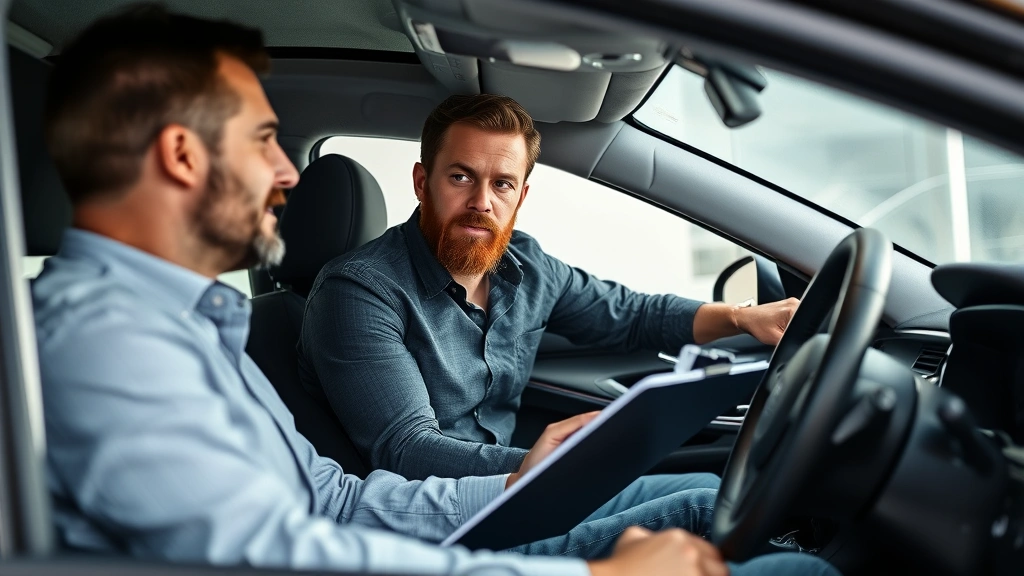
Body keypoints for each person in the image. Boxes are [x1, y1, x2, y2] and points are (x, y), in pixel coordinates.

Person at [31, 5, 838, 576]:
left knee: (712, 505)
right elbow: (287, 551)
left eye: (502, 184)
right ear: (181, 155)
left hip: (436, 518)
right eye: (265, 138)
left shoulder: (190, 325)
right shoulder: (108, 345)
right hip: (431, 542)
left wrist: (522, 479)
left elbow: (337, 502)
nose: (286, 173)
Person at [296, 94, 797, 508]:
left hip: (528, 490)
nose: (481, 202)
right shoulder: (359, 292)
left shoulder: (526, 265)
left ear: (521, 197)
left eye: (502, 184)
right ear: (422, 183)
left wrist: (745, 318)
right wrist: (556, 461)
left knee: (712, 490)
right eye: (460, 176)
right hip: (438, 518)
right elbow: (406, 450)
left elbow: (630, 315)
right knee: (704, 508)